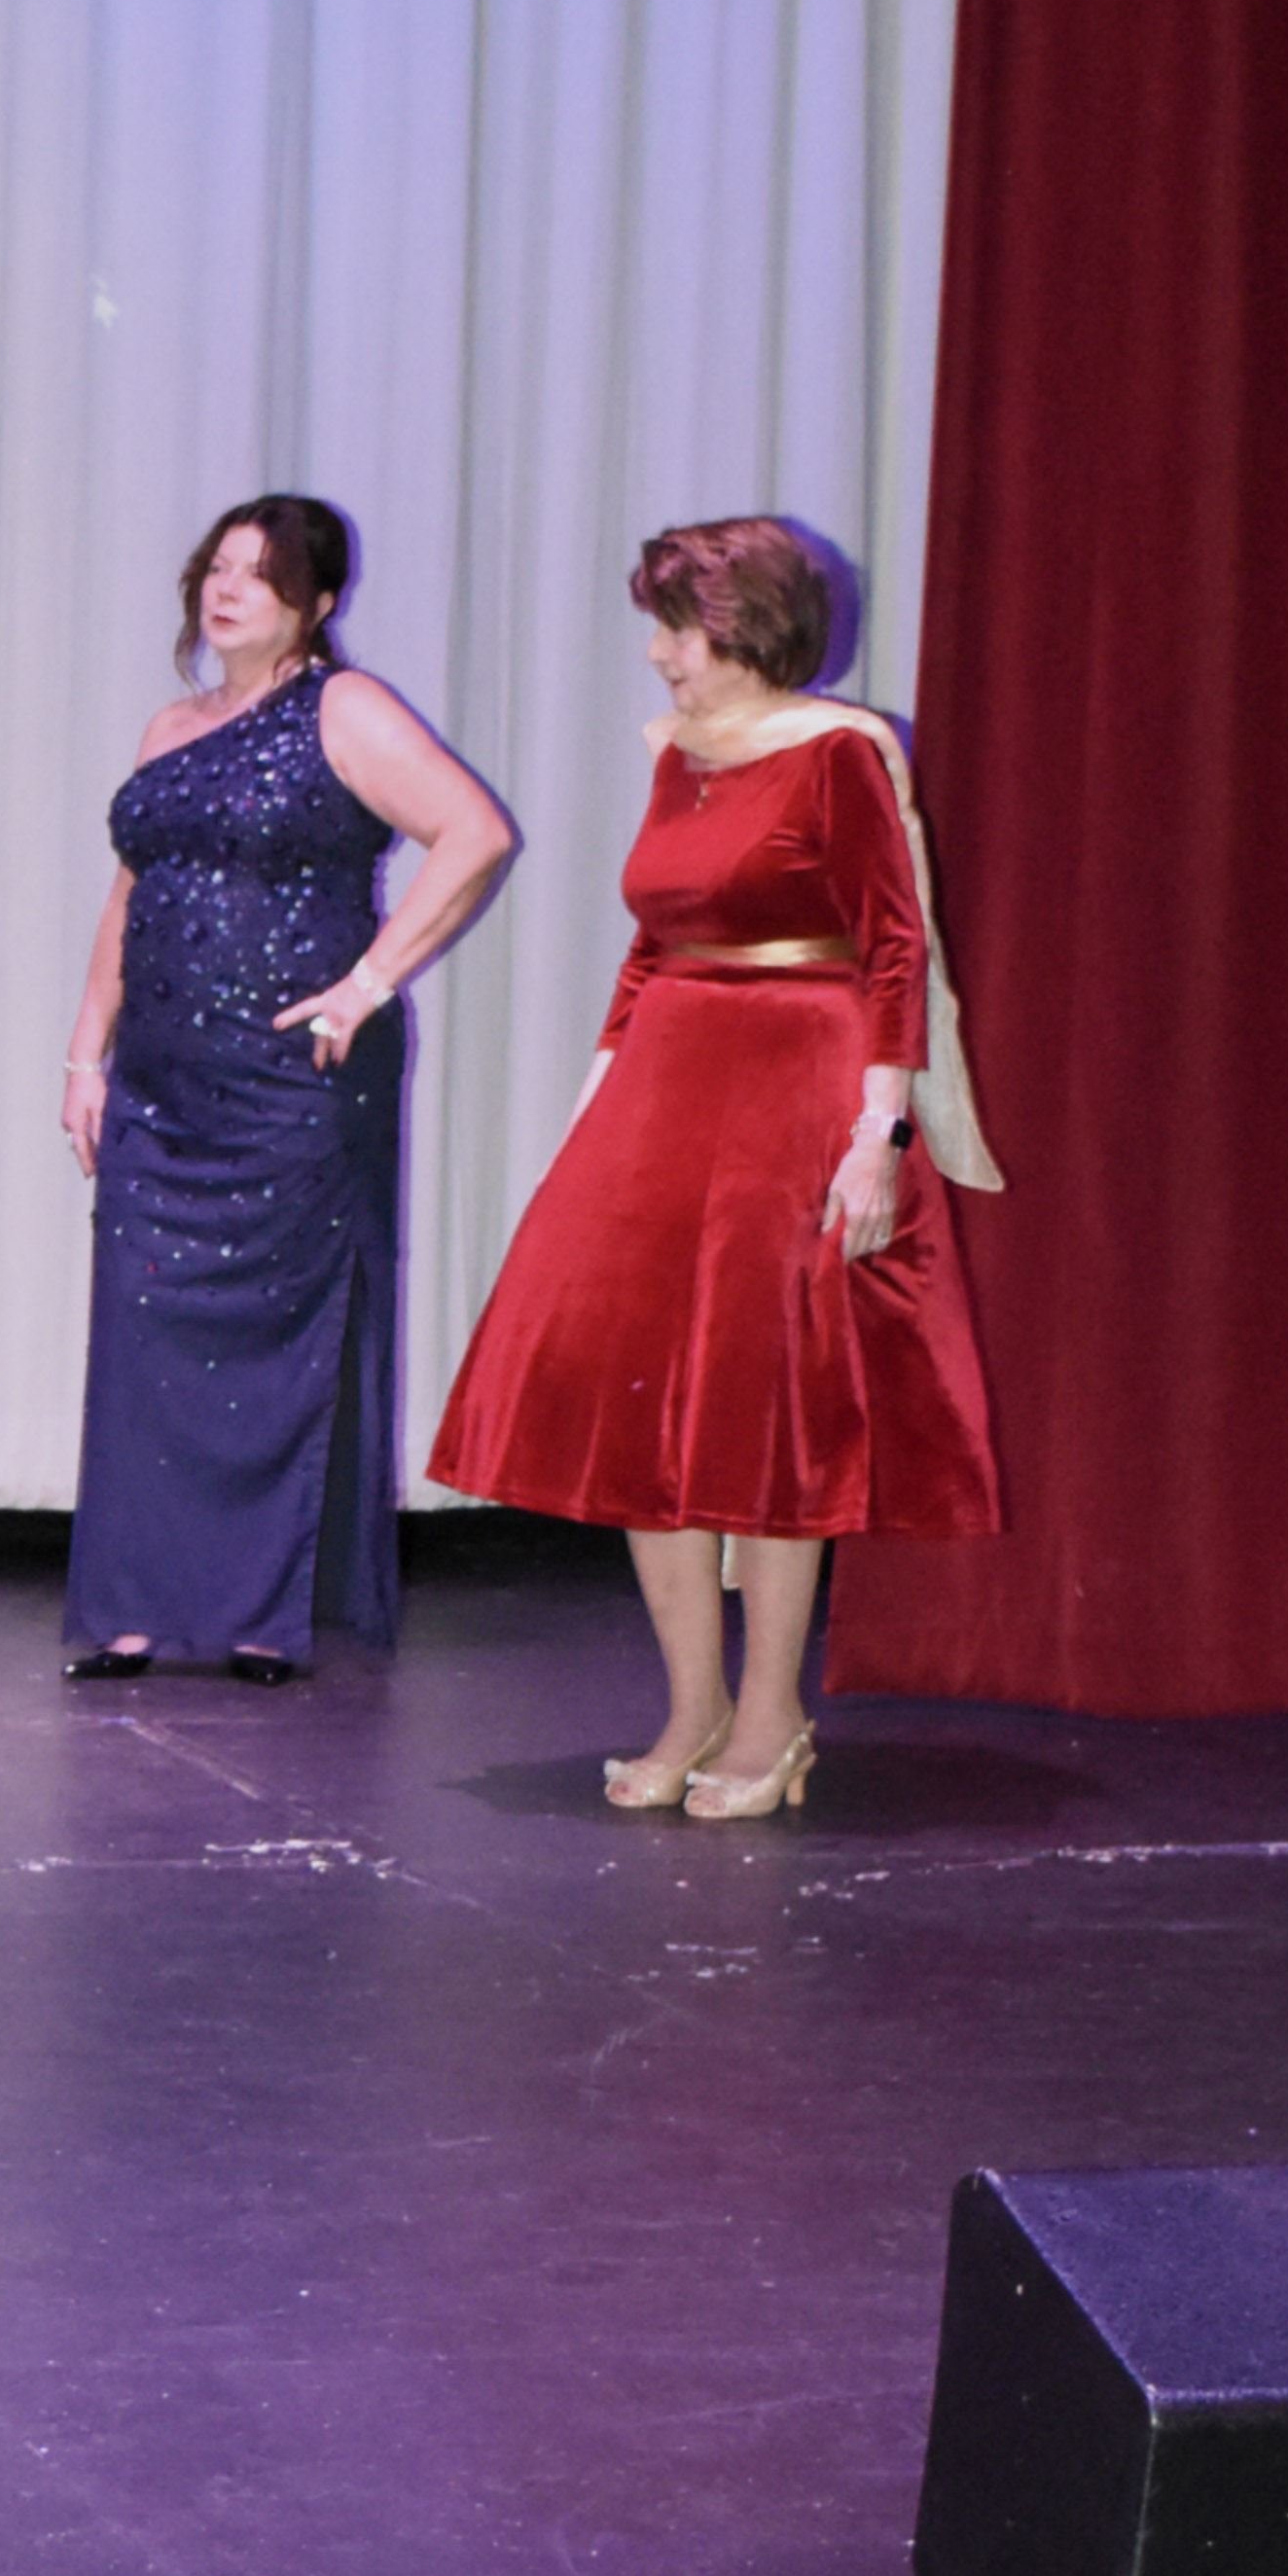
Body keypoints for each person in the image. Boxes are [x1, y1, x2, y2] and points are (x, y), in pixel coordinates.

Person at [428, 513, 1002, 1817]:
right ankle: (692, 1705)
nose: (657, 653)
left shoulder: (837, 753)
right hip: (667, 1087)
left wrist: (877, 1133)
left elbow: (893, 949)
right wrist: (594, 1102)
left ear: (743, 630)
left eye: (676, 628)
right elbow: (651, 946)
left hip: (795, 1086)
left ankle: (770, 1717)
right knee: (647, 1405)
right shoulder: (676, 755)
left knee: (769, 1411)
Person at [59, 499, 512, 1683]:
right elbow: (127, 898)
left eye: (257, 576)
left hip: (289, 1085)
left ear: (315, 603)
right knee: (146, 1341)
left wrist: (367, 982)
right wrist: (83, 1054)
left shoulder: (342, 708)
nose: (225, 590)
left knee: (277, 1342)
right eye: (216, 567)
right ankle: (136, 1608)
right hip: (161, 1083)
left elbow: (472, 833)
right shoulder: (169, 727)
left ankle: (265, 1613)